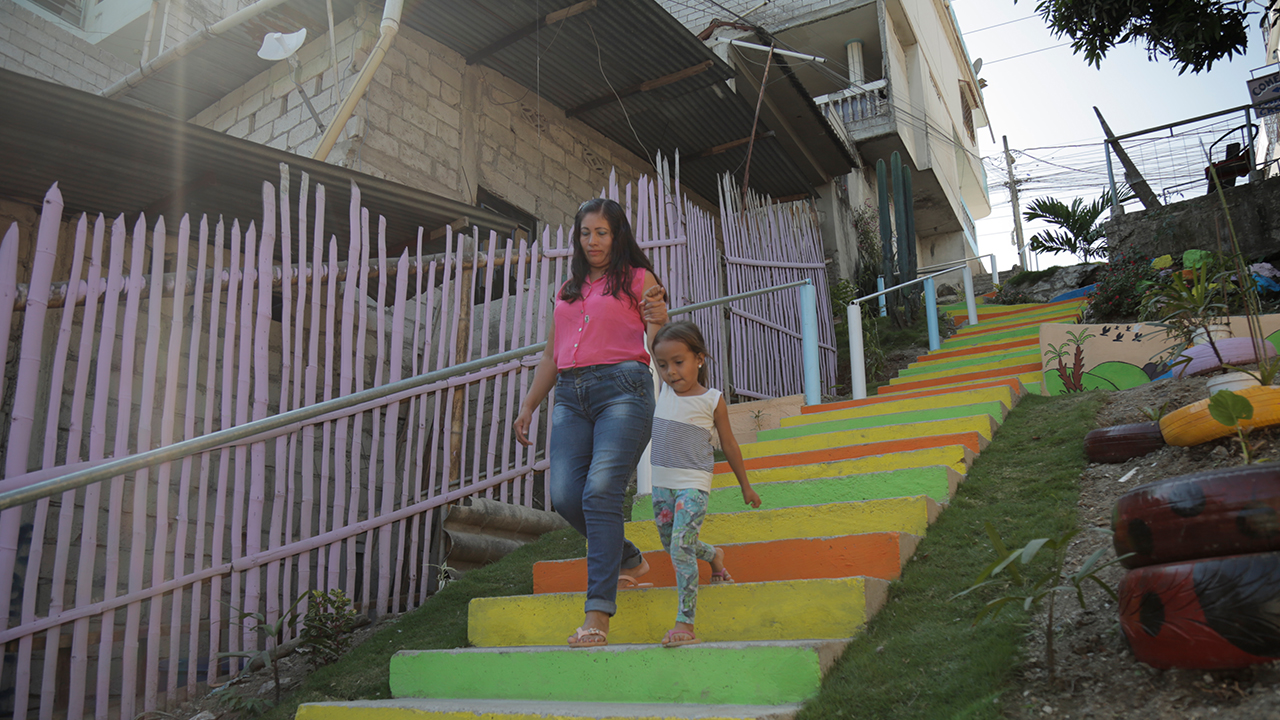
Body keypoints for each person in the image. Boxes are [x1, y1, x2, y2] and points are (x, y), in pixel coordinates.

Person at [514, 197, 668, 648]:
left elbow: (656, 335)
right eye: (585, 233)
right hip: (570, 395)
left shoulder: (639, 279)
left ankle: (597, 615)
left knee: (600, 491)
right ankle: (628, 559)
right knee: (564, 496)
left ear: (617, 235)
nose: (593, 241)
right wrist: (528, 405)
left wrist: (658, 320)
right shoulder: (568, 289)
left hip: (624, 387)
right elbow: (550, 356)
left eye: (602, 232)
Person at [648, 320, 761, 648]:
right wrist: (651, 313)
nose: (671, 372)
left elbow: (728, 445)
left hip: (693, 484)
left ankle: (686, 622)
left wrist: (746, 486)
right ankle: (714, 556)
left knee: (680, 548)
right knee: (674, 543)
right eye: (664, 365)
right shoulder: (664, 390)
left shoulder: (712, 400)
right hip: (661, 486)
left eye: (679, 362)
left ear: (699, 358)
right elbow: (651, 333)